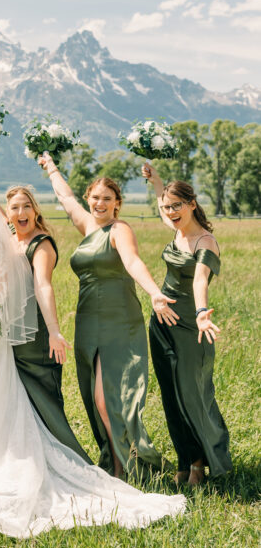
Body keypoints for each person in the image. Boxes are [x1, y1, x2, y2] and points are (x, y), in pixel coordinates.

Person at [0, 148, 186, 537]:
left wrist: (36, 327)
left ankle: (108, 464)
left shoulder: (14, 242)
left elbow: (26, 286)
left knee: (2, 405)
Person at [39, 154, 178, 480]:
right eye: (95, 198)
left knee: (108, 398)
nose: (100, 203)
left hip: (119, 320)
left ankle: (124, 469)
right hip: (88, 320)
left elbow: (132, 262)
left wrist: (154, 292)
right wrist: (51, 167)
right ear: (89, 199)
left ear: (117, 203)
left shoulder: (120, 229)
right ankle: (114, 462)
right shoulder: (86, 224)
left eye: (107, 199)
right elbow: (64, 196)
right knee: (93, 395)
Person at [0, 144, 90, 461]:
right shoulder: (12, 235)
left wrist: (54, 330)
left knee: (45, 402)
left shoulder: (41, 243)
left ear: (35, 210)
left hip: (37, 337)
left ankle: (68, 459)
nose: (20, 213)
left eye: (26, 206)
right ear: (8, 213)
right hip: (10, 334)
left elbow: (42, 285)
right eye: (14, 208)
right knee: (16, 403)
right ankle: (26, 460)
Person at [142, 164, 232, 485]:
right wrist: (157, 184)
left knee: (191, 394)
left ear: (192, 204)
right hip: (161, 322)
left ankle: (203, 462)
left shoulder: (204, 242)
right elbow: (162, 206)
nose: (170, 212)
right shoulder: (176, 227)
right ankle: (186, 460)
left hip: (192, 326)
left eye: (177, 206)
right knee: (170, 394)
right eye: (167, 208)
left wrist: (202, 311)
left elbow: (199, 281)